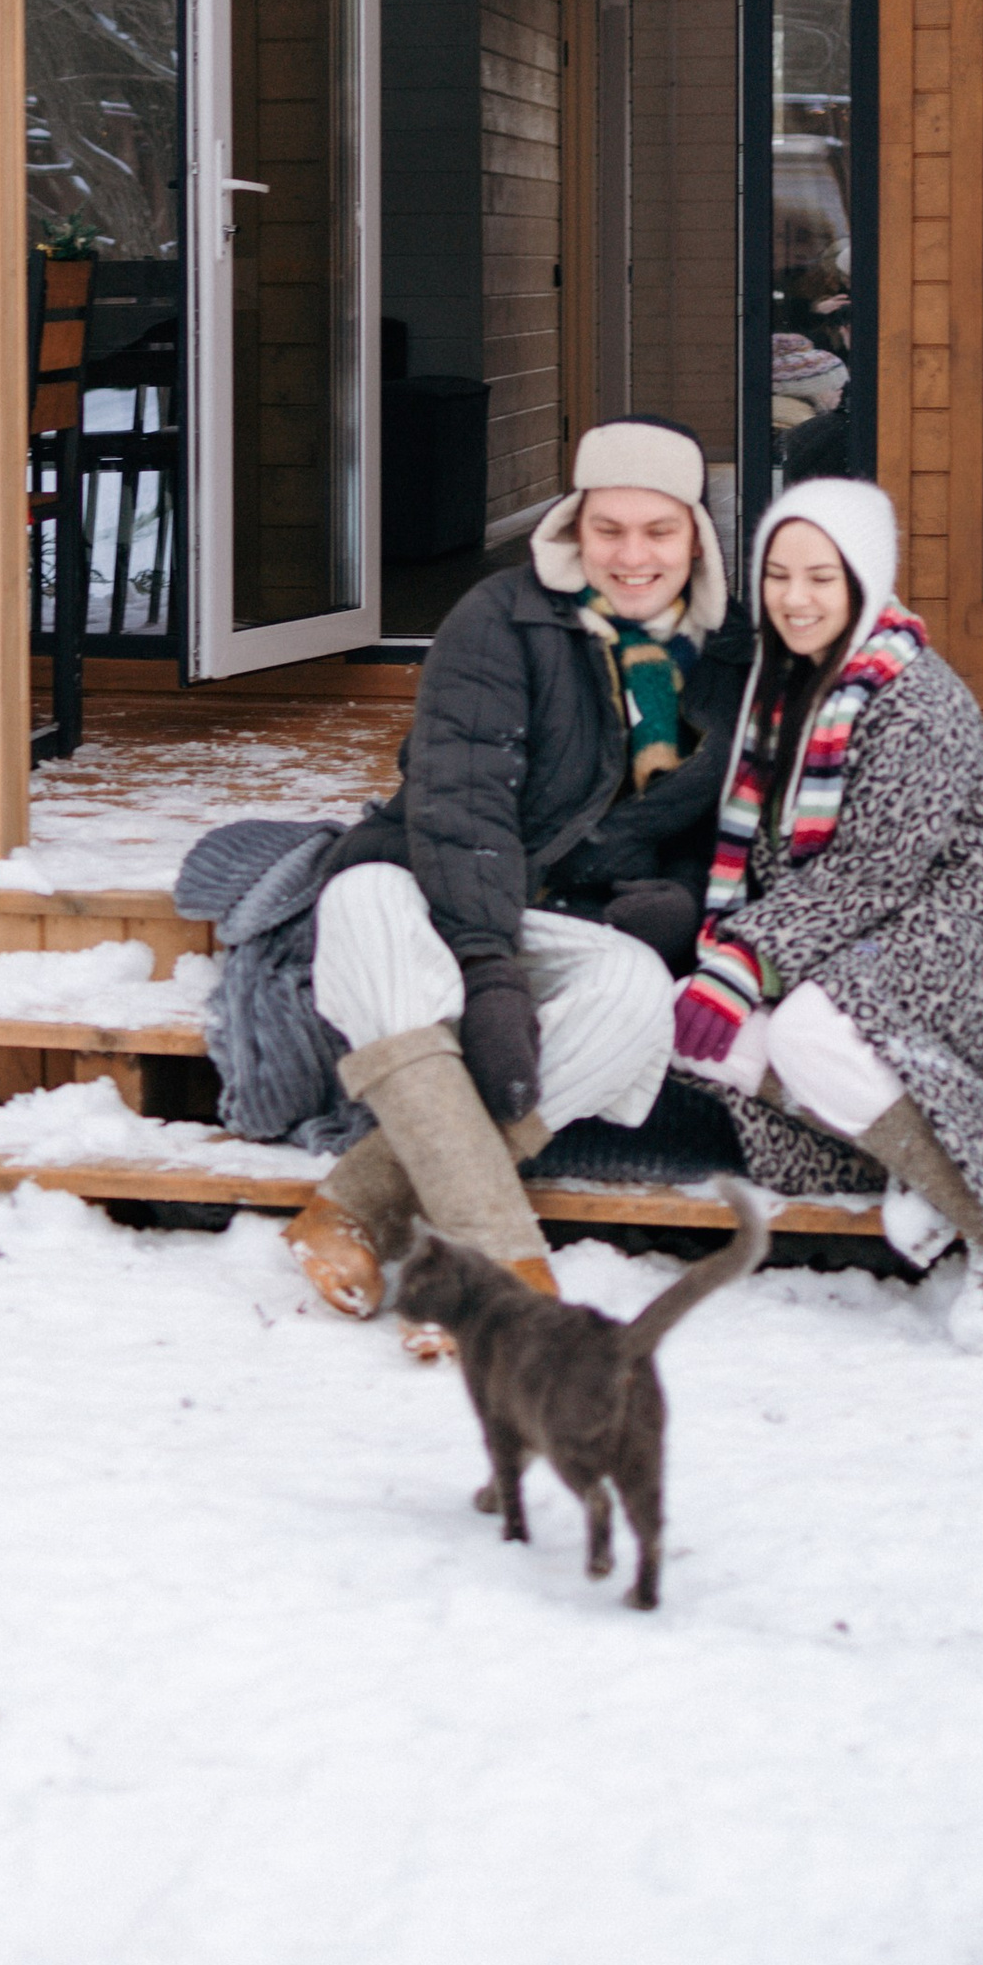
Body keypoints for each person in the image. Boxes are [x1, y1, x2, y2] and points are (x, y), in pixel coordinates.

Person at [268, 418, 752, 1321]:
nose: (633, 555)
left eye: (660, 531)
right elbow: (460, 799)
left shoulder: (728, 662)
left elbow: (722, 822)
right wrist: (488, 970)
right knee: (362, 904)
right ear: (574, 528)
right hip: (433, 881)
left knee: (638, 993)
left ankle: (353, 1207)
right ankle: (495, 1273)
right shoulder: (501, 618)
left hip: (570, 914)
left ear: (697, 535)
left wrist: (678, 899)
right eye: (609, 529)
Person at [669, 479, 983, 1352]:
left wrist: (745, 965)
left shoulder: (913, 698)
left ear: (863, 579)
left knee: (804, 1034)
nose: (795, 598)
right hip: (846, 936)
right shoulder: (784, 686)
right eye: (778, 575)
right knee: (705, 1034)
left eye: (822, 577)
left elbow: (870, 874)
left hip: (958, 936)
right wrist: (730, 971)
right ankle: (926, 1162)